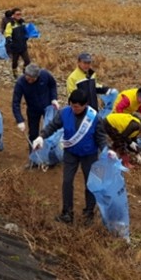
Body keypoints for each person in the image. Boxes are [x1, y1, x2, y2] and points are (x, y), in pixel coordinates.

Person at [31, 89, 109, 224]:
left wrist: (106, 150)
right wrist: (41, 137)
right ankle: (67, 212)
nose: (74, 109)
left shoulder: (94, 118)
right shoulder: (64, 113)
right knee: (67, 181)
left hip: (89, 155)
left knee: (90, 184)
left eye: (77, 107)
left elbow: (101, 137)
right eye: (72, 105)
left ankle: (89, 212)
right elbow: (52, 126)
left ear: (85, 105)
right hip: (70, 152)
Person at [11, 64, 60, 147]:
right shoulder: (20, 83)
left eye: (32, 79)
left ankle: (50, 152)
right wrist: (19, 120)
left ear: (38, 76)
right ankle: (33, 154)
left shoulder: (45, 75)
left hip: (47, 108)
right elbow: (16, 102)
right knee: (33, 134)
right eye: (28, 78)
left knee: (50, 130)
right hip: (32, 110)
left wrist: (54, 98)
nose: (29, 81)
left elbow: (52, 85)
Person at [4, 8, 31, 78]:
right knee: (15, 62)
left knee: (27, 61)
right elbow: (7, 32)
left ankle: (25, 72)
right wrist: (8, 38)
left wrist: (28, 35)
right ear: (13, 15)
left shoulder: (22, 22)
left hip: (23, 46)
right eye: (17, 14)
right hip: (15, 47)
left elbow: (26, 31)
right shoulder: (10, 24)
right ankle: (14, 71)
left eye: (20, 14)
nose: (19, 16)